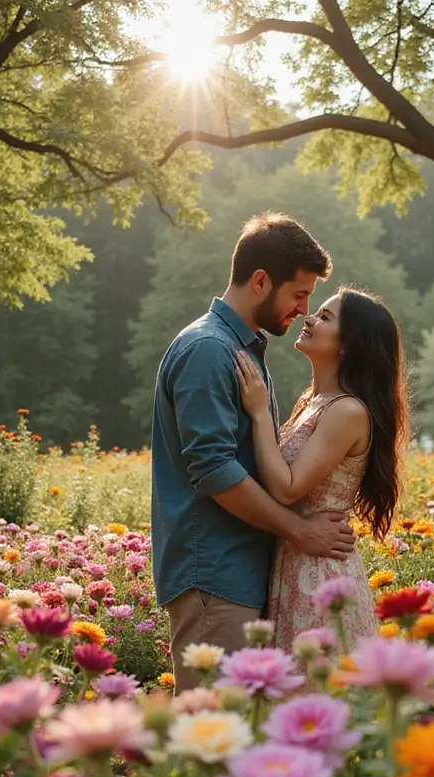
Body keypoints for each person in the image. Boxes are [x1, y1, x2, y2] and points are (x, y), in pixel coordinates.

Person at [151, 212, 356, 692]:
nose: (305, 310)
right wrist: (300, 531)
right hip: (214, 576)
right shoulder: (208, 351)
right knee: (216, 741)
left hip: (238, 574)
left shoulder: (239, 351)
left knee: (240, 737)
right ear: (261, 281)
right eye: (299, 295)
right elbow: (214, 469)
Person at [236, 286, 408, 653]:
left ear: (347, 345)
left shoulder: (347, 411)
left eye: (325, 317)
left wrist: (259, 412)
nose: (309, 317)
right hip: (295, 561)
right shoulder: (313, 403)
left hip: (321, 576)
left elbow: (287, 488)